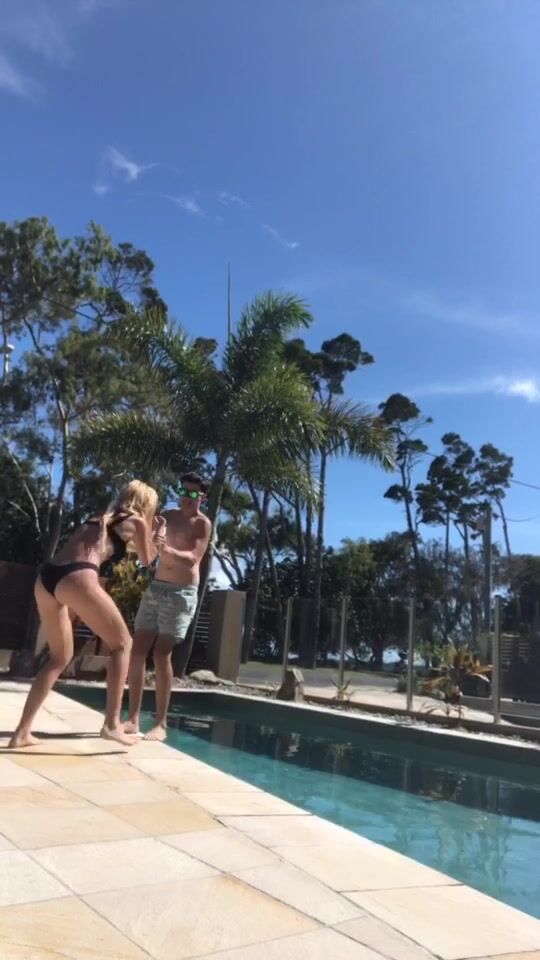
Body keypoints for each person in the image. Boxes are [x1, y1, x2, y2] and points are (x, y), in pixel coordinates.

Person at [9, 480, 160, 749]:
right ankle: (112, 724)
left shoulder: (101, 517)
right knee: (123, 644)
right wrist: (156, 536)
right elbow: (148, 562)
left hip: (47, 578)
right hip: (77, 576)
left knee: (59, 658)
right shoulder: (137, 521)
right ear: (146, 504)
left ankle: (21, 733)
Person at [125, 471, 212, 741]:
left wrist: (166, 551)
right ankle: (133, 719)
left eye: (193, 493)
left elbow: (193, 559)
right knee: (137, 650)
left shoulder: (202, 524)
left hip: (181, 593)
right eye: (183, 491)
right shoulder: (166, 516)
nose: (186, 497)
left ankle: (160, 724)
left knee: (161, 654)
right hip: (156, 587)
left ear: (202, 496)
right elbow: (148, 549)